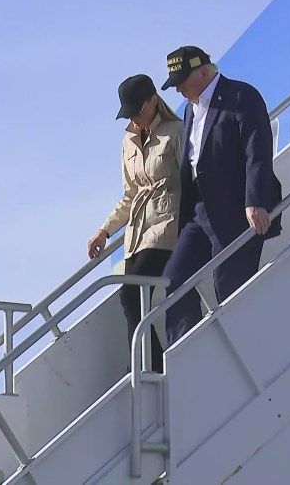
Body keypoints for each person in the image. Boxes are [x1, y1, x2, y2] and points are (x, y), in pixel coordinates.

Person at [159, 46, 282, 346]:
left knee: (229, 286)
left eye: (181, 80)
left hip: (235, 212)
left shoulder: (241, 96)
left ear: (203, 72)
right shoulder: (190, 109)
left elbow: (258, 153)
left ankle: (235, 352)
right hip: (199, 213)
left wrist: (255, 200)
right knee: (175, 277)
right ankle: (186, 350)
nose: (177, 88)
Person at [87, 74, 185, 374]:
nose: (134, 119)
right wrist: (105, 230)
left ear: (154, 100)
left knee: (132, 294)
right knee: (131, 301)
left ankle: (147, 369)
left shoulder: (176, 131)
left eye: (138, 111)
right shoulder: (128, 141)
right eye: (129, 115)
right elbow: (130, 195)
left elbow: (192, 180)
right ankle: (145, 368)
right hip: (137, 233)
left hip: (168, 222)